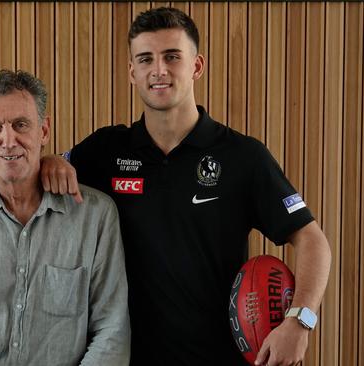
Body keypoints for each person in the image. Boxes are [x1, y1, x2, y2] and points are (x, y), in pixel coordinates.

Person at [37, 7, 331, 366]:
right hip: (127, 359)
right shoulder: (106, 150)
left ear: (197, 66)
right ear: (133, 72)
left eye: (172, 56)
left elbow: (312, 240)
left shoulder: (243, 156)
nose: (158, 70)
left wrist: (299, 322)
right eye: (145, 59)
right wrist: (47, 162)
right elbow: (28, 179)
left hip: (220, 357)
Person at [0, 70, 131, 365]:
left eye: (21, 125)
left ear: (43, 131)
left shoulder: (95, 216)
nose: (8, 140)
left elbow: (111, 332)